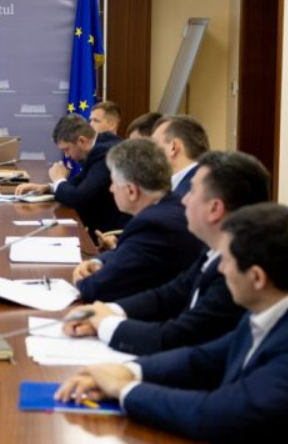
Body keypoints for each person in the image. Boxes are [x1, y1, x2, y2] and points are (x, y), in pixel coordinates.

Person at [55, 203, 288, 444]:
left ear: (257, 277)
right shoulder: (282, 303)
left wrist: (124, 390)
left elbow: (216, 415)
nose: (220, 269)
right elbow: (203, 358)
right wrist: (130, 371)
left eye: (227, 261)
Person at [64, 151, 270, 355]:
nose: (184, 200)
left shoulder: (238, 270)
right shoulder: (213, 249)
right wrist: (112, 311)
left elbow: (182, 336)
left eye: (192, 192)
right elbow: (170, 294)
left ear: (215, 209)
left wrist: (105, 324)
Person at [71, 139, 204, 303]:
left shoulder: (153, 225)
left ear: (131, 190)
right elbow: (127, 250)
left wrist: (80, 278)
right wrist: (97, 260)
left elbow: (95, 289)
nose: (111, 189)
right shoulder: (172, 205)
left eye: (113, 183)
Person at [14, 114, 127, 235]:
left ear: (82, 141)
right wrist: (48, 187)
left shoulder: (104, 154)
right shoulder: (100, 145)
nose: (67, 156)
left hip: (111, 234)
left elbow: (79, 199)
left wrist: (59, 180)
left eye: (67, 149)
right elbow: (81, 183)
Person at [151, 114, 209, 198]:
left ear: (173, 147)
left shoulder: (191, 191)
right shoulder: (205, 180)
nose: (149, 151)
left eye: (153, 144)